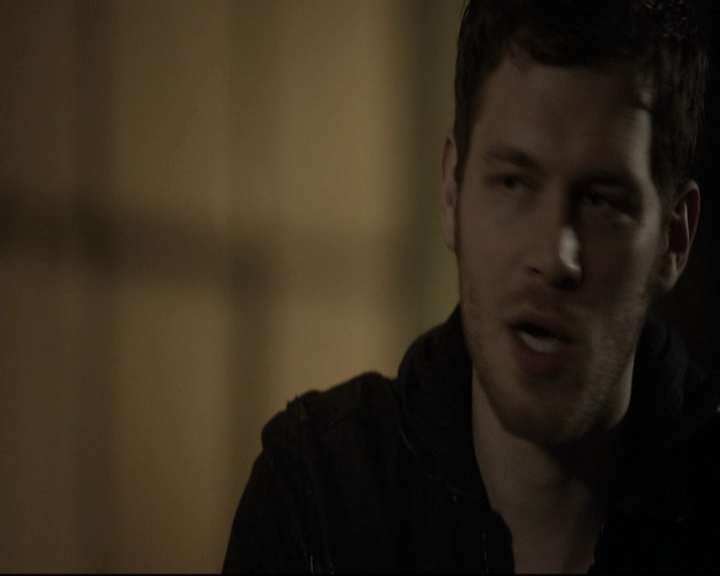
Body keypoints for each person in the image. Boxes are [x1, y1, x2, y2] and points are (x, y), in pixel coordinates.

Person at [223, 0, 720, 572]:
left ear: (674, 239)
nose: (554, 256)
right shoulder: (321, 495)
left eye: (601, 201)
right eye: (513, 183)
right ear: (451, 192)